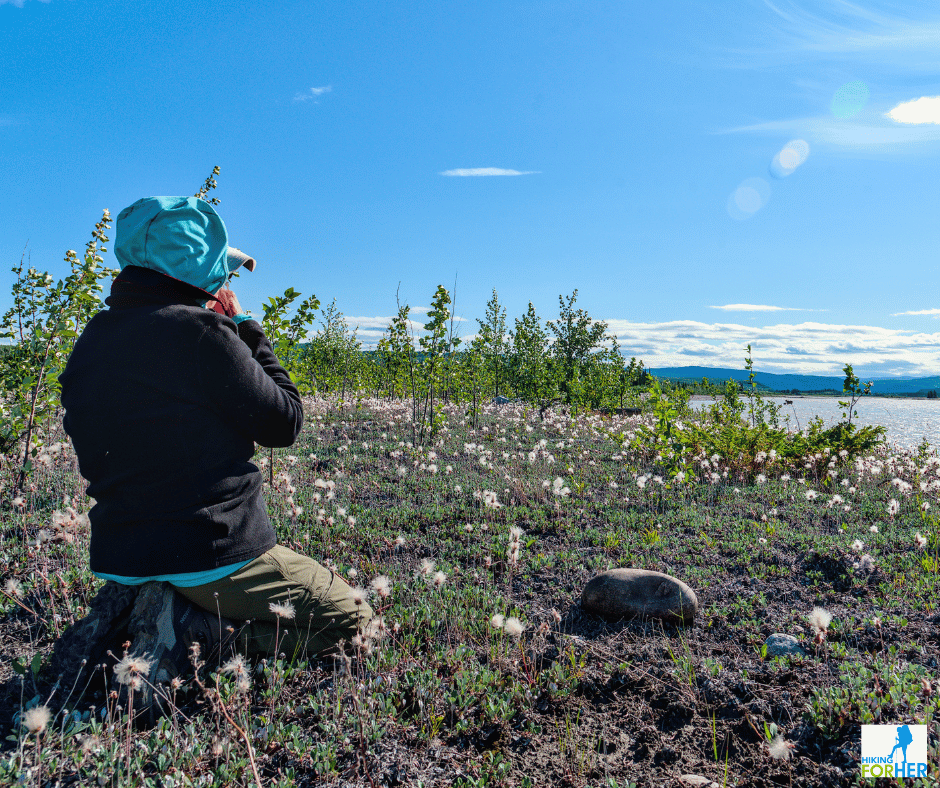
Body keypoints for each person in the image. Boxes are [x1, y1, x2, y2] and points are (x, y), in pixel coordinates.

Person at [55, 196, 372, 721]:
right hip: (211, 551)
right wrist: (246, 327)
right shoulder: (204, 334)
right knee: (355, 622)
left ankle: (147, 608)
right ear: (199, 271)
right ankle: (204, 633)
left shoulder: (92, 340)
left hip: (123, 555)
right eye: (223, 273)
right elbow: (285, 421)